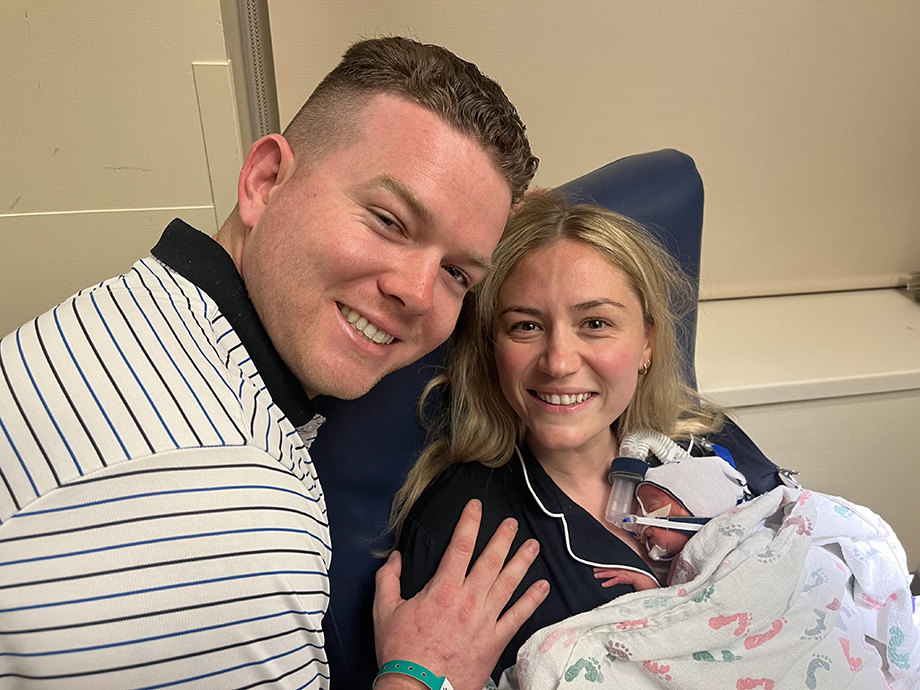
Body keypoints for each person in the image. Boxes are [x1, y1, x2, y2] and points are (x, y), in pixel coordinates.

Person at [0, 37, 549, 690]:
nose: (419, 294)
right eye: (389, 221)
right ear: (264, 181)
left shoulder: (120, 317)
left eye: (458, 272)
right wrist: (422, 674)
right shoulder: (241, 527)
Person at [392, 191, 779, 681]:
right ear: (493, 348)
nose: (558, 362)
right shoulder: (462, 528)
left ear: (647, 343)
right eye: (526, 326)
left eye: (595, 323)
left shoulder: (706, 441)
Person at [594, 454, 749, 591]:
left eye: (651, 507)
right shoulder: (681, 564)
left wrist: (642, 581)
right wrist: (643, 580)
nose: (640, 523)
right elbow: (673, 601)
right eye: (640, 511)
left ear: (697, 508)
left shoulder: (721, 552)